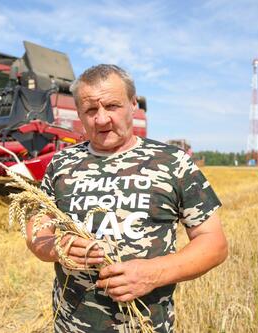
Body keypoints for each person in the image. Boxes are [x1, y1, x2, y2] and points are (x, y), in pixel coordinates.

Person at [25, 64, 228, 333]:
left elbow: (214, 243)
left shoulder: (172, 163)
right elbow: (36, 231)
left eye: (112, 106)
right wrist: (55, 247)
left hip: (144, 326)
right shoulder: (61, 163)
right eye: (90, 110)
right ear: (79, 114)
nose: (101, 119)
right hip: (70, 326)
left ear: (133, 105)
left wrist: (153, 273)